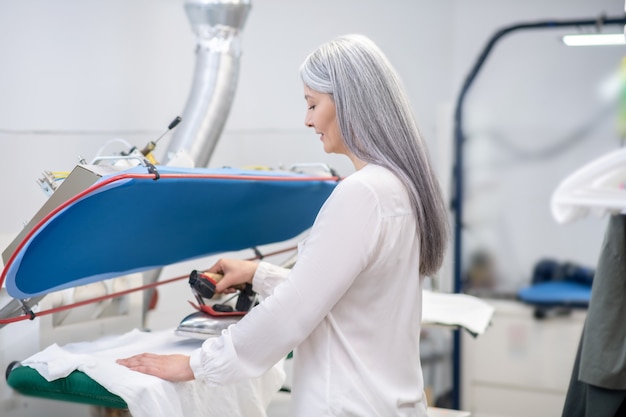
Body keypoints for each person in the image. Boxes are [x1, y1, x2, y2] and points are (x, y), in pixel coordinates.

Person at [117, 34, 449, 417]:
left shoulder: (362, 194)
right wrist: (257, 274)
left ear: (348, 102)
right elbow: (338, 295)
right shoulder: (399, 187)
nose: (307, 120)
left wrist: (196, 365)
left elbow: (293, 311)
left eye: (312, 104)